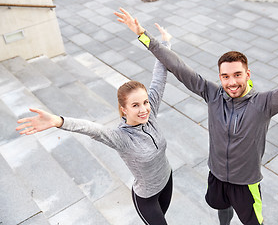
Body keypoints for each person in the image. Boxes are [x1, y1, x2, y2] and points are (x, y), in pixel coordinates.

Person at [115, 7, 278, 225]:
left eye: (237, 75)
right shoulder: (212, 94)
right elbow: (178, 67)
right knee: (221, 209)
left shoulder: (265, 103)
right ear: (220, 77)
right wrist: (144, 36)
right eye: (225, 76)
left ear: (247, 73)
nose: (231, 82)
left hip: (246, 183)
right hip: (217, 175)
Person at [16, 24, 174, 225]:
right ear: (124, 109)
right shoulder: (121, 138)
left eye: (145, 102)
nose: (143, 109)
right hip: (147, 197)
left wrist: (157, 39)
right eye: (135, 105)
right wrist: (59, 121)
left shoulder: (150, 114)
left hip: (167, 181)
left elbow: (160, 74)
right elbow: (93, 129)